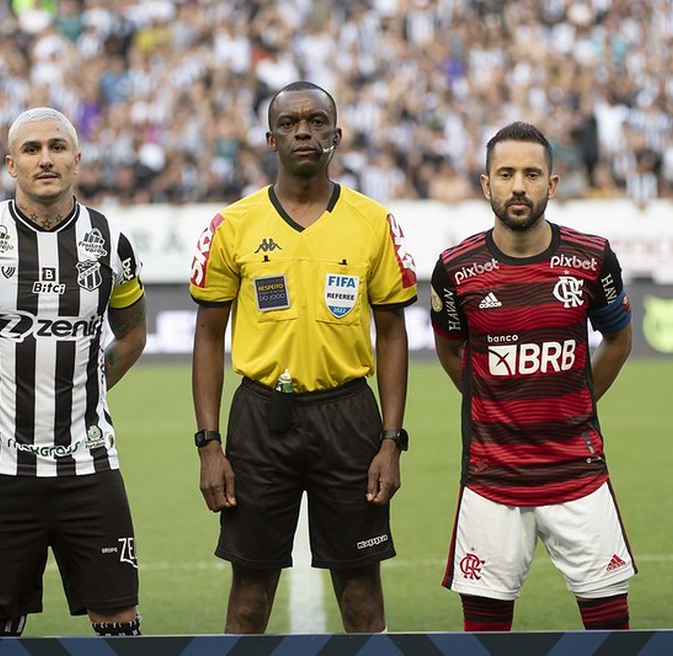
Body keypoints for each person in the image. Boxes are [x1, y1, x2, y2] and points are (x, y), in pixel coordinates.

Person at [189, 80, 417, 633]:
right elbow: (206, 338)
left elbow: (392, 334)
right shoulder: (232, 225)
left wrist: (391, 440)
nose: (303, 132)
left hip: (349, 416)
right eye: (289, 123)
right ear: (270, 138)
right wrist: (209, 444)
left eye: (315, 121)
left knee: (361, 589)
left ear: (336, 135)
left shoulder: (374, 222)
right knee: (249, 590)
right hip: (260, 418)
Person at [0, 107, 147, 637]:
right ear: (10, 164)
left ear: (77, 160)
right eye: (31, 149)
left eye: (56, 147)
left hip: (88, 463)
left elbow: (134, 333)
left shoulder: (109, 241)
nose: (45, 158)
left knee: (119, 620)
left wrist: (88, 388)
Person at [430, 121, 636, 631]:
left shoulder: (592, 257)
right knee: (485, 631)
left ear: (552, 184)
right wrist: (496, 396)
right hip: (491, 476)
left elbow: (618, 340)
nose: (518, 186)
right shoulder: (455, 269)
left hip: (578, 472)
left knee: (610, 626)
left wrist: (577, 398)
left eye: (531, 174)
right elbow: (451, 350)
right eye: (506, 174)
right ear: (486, 185)